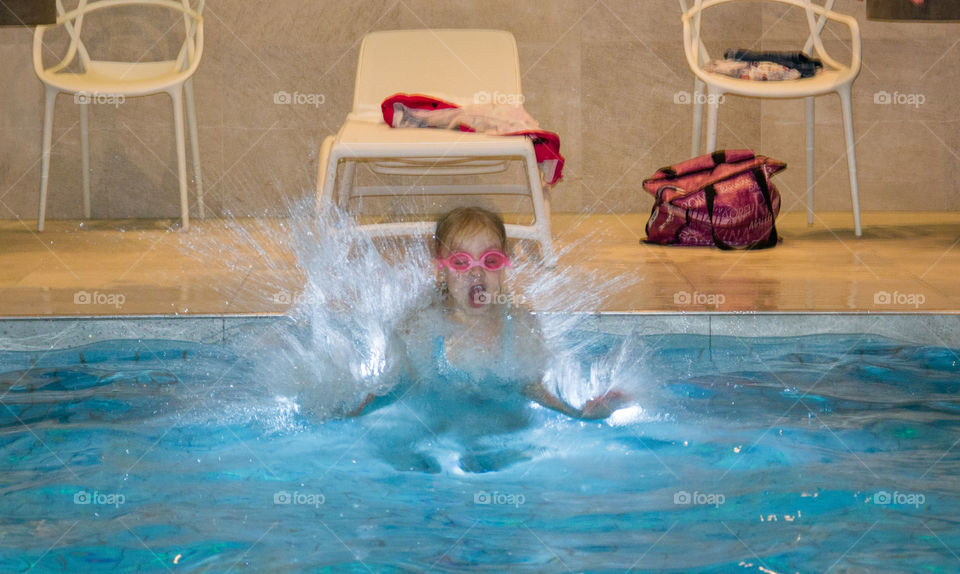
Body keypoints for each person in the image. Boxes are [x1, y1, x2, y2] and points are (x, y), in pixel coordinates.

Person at [350, 206, 628, 420]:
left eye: (490, 260)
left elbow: (533, 389)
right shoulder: (421, 326)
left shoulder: (520, 324)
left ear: (505, 264)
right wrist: (351, 418)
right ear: (441, 267)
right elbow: (393, 390)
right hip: (439, 428)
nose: (476, 272)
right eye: (461, 262)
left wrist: (578, 413)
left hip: (499, 427)